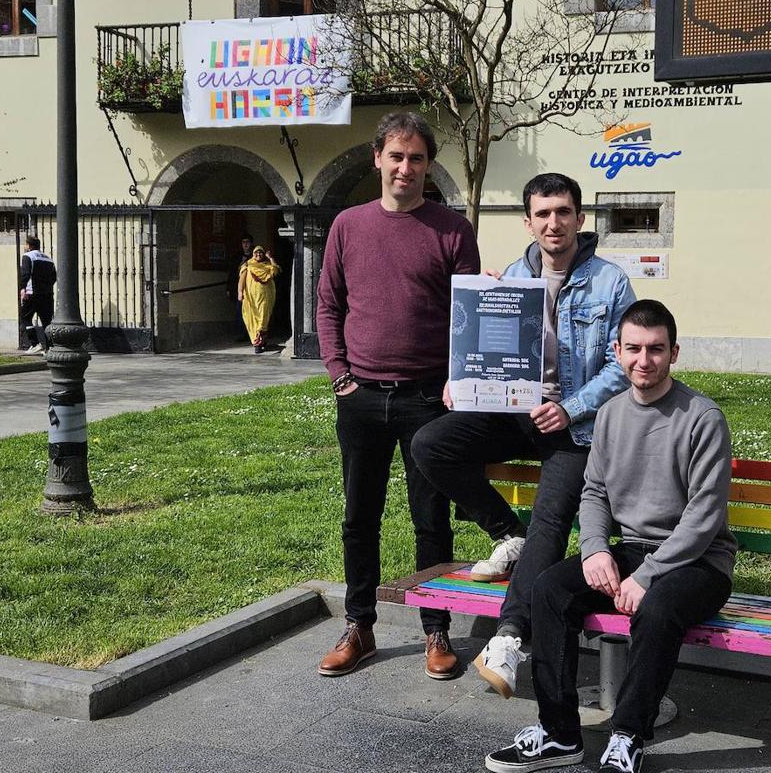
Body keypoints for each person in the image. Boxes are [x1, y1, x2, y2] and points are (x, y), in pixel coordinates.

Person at [485, 300, 736, 773]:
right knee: (549, 589)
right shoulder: (610, 414)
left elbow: (704, 515)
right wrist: (595, 550)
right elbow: (595, 491)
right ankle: (559, 735)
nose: (645, 360)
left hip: (698, 564)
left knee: (657, 608)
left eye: (657, 349)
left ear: (674, 352)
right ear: (618, 352)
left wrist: (649, 575)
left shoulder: (703, 417)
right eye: (635, 349)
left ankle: (627, 736)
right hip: (632, 553)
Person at [411, 172, 635, 699]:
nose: (553, 222)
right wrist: (462, 376)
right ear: (528, 221)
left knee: (552, 522)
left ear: (581, 219)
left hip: (575, 428)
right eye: (543, 213)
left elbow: (621, 361)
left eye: (563, 212)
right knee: (430, 444)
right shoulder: (512, 273)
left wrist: (571, 407)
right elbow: (491, 348)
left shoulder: (611, 282)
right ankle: (504, 532)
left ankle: (510, 637)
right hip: (515, 413)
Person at [315, 111, 480, 680]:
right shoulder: (348, 226)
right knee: (360, 515)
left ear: (428, 165)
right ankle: (359, 623)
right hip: (359, 396)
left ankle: (436, 629)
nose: (405, 167)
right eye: (396, 156)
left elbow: (469, 320)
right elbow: (329, 306)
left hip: (428, 400)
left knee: (430, 518)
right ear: (377, 159)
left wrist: (455, 383)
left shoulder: (453, 231)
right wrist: (340, 374)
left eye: (416, 158)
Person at [18, 235, 57, 354]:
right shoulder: (48, 258)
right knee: (46, 321)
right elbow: (54, 277)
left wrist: (23, 288)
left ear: (29, 246)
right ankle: (49, 348)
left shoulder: (28, 256)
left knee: (25, 317)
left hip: (32, 293)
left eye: (26, 244)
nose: (25, 246)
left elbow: (25, 274)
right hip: (47, 294)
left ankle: (35, 344)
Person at [238, 245, 280, 354]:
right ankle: (257, 343)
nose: (258, 255)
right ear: (253, 254)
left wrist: (270, 258)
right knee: (252, 319)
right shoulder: (247, 265)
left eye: (260, 253)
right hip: (251, 299)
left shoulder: (267, 265)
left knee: (263, 319)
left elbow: (275, 270)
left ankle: (262, 341)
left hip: (265, 298)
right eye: (256, 253)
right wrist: (240, 292)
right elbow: (242, 280)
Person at [228, 232, 254, 341]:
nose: (245, 244)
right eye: (243, 242)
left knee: (251, 312)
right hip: (239, 289)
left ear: (251, 243)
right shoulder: (237, 257)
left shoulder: (255, 256)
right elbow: (232, 274)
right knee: (240, 312)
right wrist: (228, 288)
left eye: (247, 242)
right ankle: (242, 334)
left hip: (252, 289)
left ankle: (252, 334)